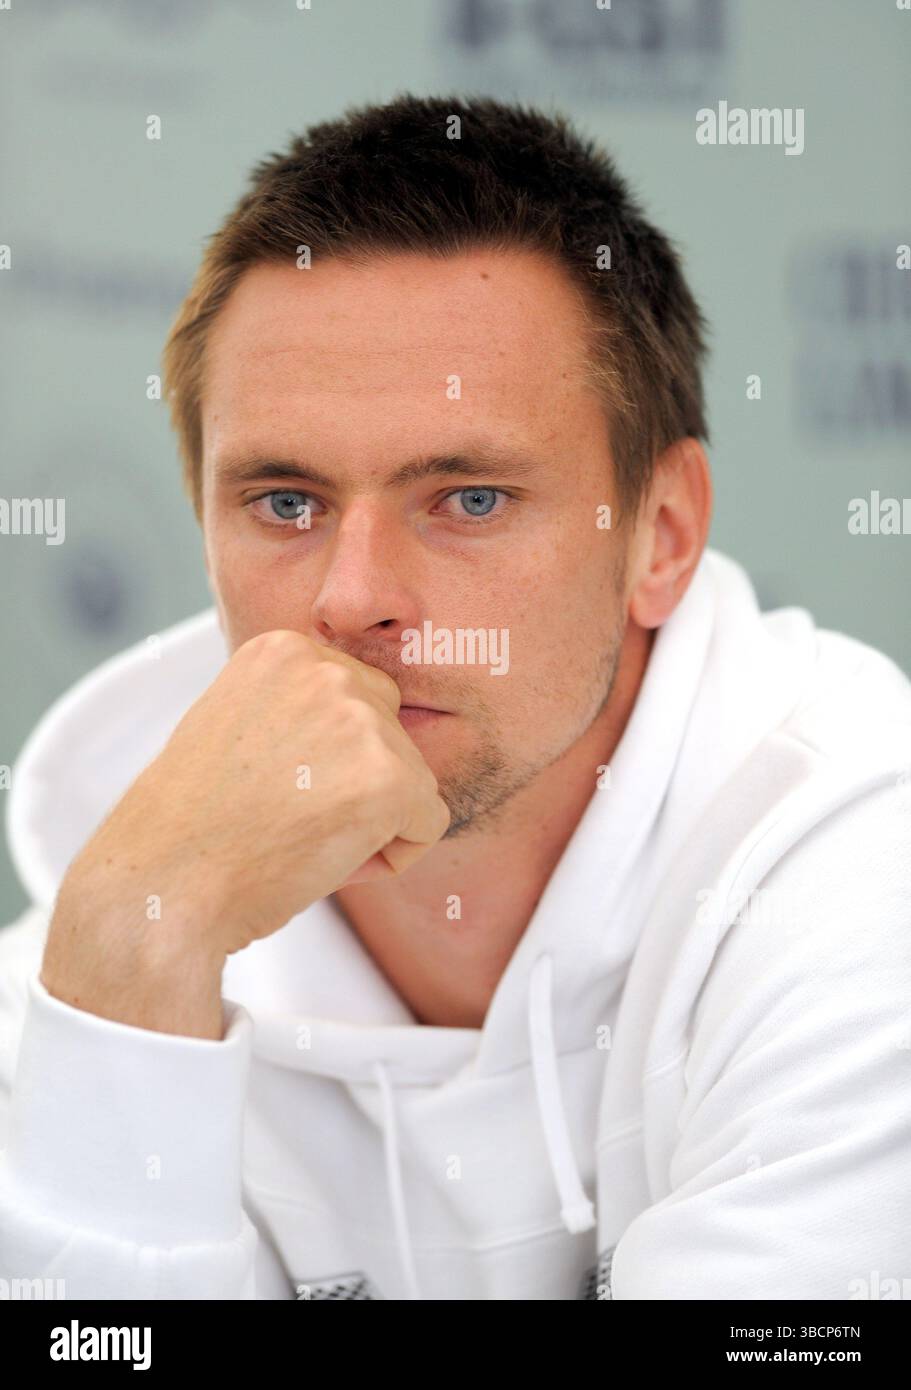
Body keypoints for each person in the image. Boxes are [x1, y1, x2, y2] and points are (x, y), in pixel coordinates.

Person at [1, 94, 909, 1302]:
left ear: (662, 532)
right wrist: (132, 959)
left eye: (468, 498)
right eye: (285, 502)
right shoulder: (89, 971)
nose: (352, 598)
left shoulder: (866, 884)